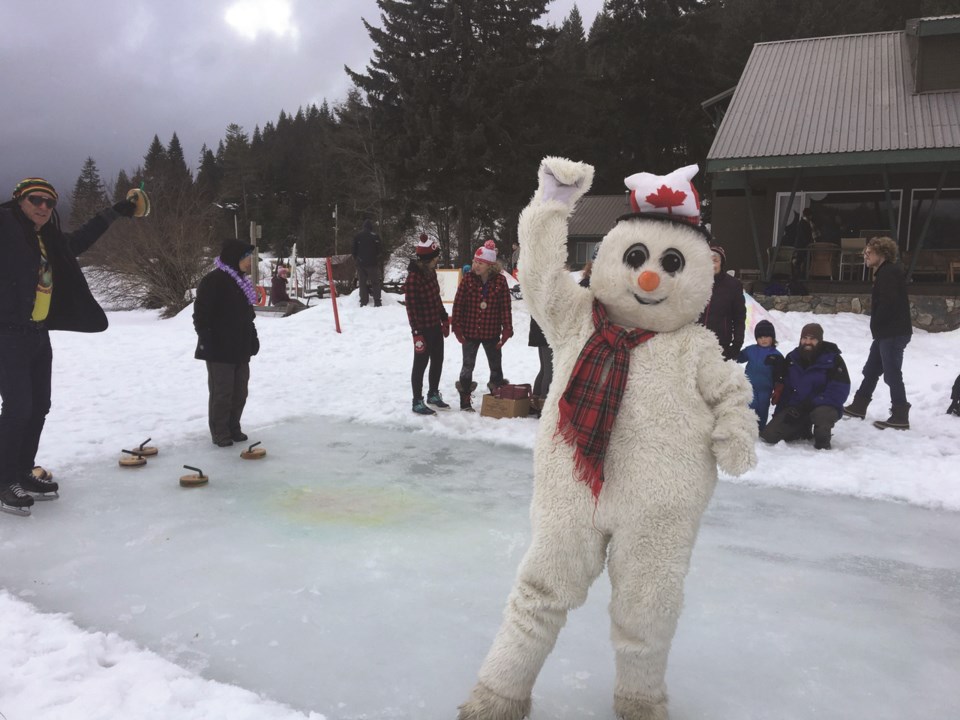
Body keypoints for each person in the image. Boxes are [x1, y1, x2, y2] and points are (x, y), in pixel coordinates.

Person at [0, 177, 146, 516]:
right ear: (19, 201)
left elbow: (79, 239)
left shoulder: (46, 238)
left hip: (37, 333)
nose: (42, 207)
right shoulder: (5, 228)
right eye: (35, 200)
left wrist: (116, 212)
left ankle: (23, 470)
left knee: (39, 406)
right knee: (19, 407)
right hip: (7, 334)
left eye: (49, 203)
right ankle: (4, 479)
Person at [193, 239, 261, 447]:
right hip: (219, 349)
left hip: (240, 348)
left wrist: (253, 337)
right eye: (247, 258)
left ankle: (234, 427)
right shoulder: (214, 281)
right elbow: (201, 315)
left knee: (240, 391)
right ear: (235, 259)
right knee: (222, 393)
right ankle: (220, 432)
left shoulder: (241, 282)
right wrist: (206, 339)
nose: (251, 262)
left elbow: (247, 316)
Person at [843, 236, 913, 429]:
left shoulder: (889, 273)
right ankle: (859, 405)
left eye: (869, 252)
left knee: (892, 374)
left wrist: (878, 323)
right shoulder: (885, 272)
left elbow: (888, 303)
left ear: (882, 253)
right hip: (886, 332)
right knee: (872, 369)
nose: (865, 255)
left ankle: (900, 415)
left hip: (893, 332)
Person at [760, 323, 850, 450]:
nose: (807, 342)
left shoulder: (833, 359)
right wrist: (779, 415)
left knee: (822, 415)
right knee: (769, 435)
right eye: (804, 338)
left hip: (823, 405)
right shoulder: (792, 358)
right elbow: (786, 390)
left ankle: (823, 443)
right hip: (798, 407)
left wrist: (814, 402)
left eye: (812, 339)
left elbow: (840, 390)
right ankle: (802, 428)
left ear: (819, 340)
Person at [451, 239, 513, 411]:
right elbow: (458, 304)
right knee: (467, 366)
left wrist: (507, 329)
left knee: (496, 366)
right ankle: (465, 399)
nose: (475, 265)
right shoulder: (468, 279)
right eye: (474, 261)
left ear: (490, 265)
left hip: (491, 332)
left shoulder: (500, 281)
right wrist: (456, 326)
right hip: (469, 332)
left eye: (480, 263)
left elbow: (505, 308)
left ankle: (496, 398)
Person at [405, 234, 450, 415]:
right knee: (420, 363)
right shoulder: (413, 278)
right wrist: (416, 332)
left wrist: (444, 317)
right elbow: (410, 307)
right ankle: (417, 400)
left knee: (438, 359)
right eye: (436, 257)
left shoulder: (431, 272)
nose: (438, 260)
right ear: (428, 259)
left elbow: (436, 297)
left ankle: (433, 393)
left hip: (434, 325)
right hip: (422, 328)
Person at [698, 244, 746, 360]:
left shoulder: (733, 285)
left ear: (721, 262)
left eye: (715, 261)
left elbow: (739, 317)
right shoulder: (696, 282)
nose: (712, 265)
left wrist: (736, 345)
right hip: (696, 342)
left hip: (720, 345)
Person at [737, 319, 784, 429]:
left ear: (772, 337)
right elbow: (739, 357)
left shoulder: (776, 355)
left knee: (762, 409)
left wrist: (778, 387)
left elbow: (780, 374)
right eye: (760, 337)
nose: (763, 340)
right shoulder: (751, 350)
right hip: (749, 387)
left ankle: (760, 429)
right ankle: (748, 427)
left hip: (765, 389)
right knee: (750, 407)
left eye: (767, 336)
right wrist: (732, 352)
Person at [352, 218, 383, 307]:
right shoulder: (375, 236)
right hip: (373, 263)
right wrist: (375, 258)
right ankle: (377, 301)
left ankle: (363, 301)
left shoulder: (357, 236)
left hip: (361, 264)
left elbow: (353, 250)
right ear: (371, 227)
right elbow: (380, 250)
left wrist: (357, 259)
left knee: (362, 282)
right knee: (375, 282)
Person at [527, 317, 552, 417]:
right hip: (546, 333)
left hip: (541, 332)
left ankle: (535, 402)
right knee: (549, 371)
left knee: (544, 369)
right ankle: (544, 404)